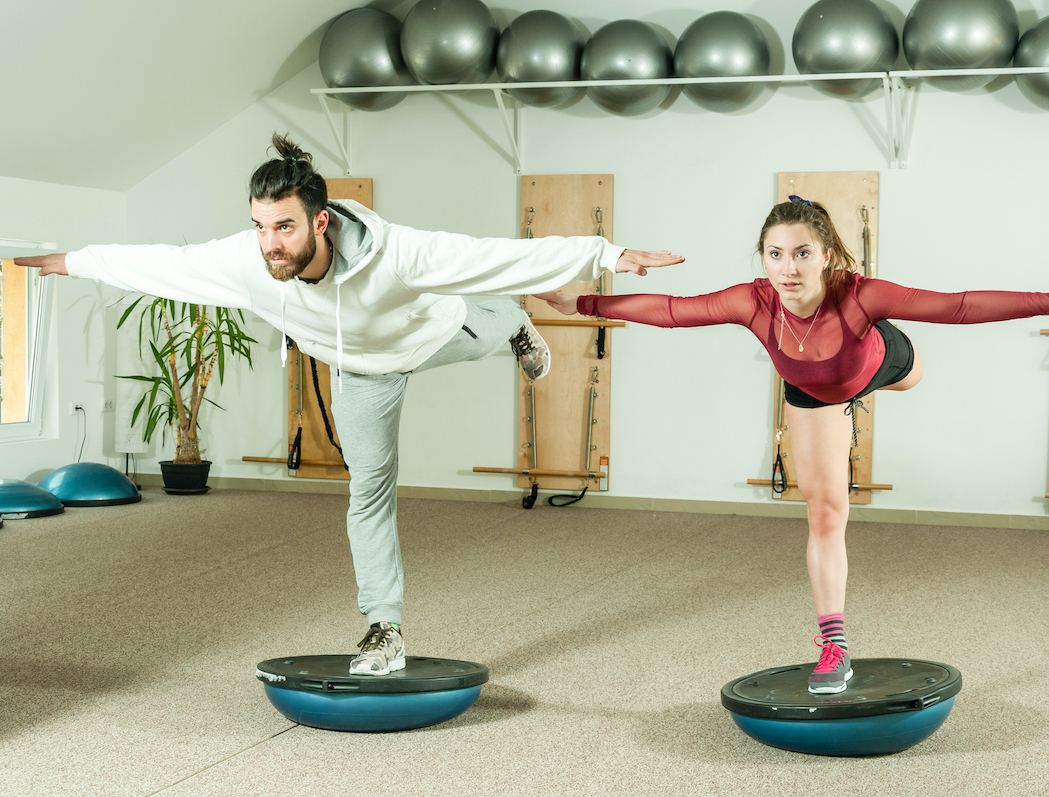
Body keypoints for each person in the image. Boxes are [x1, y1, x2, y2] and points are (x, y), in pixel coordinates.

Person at [16, 133, 683, 676]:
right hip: (362, 369)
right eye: (260, 227)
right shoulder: (248, 261)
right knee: (368, 490)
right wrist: (74, 261)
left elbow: (490, 255)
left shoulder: (399, 255)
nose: (270, 243)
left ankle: (513, 324)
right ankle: (384, 628)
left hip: (433, 332)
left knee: (490, 313)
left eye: (283, 227)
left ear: (320, 220)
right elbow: (168, 264)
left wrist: (607, 252)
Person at [535, 196, 1049, 695]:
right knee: (824, 512)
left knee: (912, 376)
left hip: (883, 360)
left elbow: (959, 307)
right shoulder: (752, 301)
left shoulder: (860, 295)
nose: (788, 268)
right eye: (775, 254)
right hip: (813, 392)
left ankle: (871, 383)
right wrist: (579, 302)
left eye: (801, 253)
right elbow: (670, 311)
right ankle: (834, 646)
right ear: (763, 258)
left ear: (827, 255)